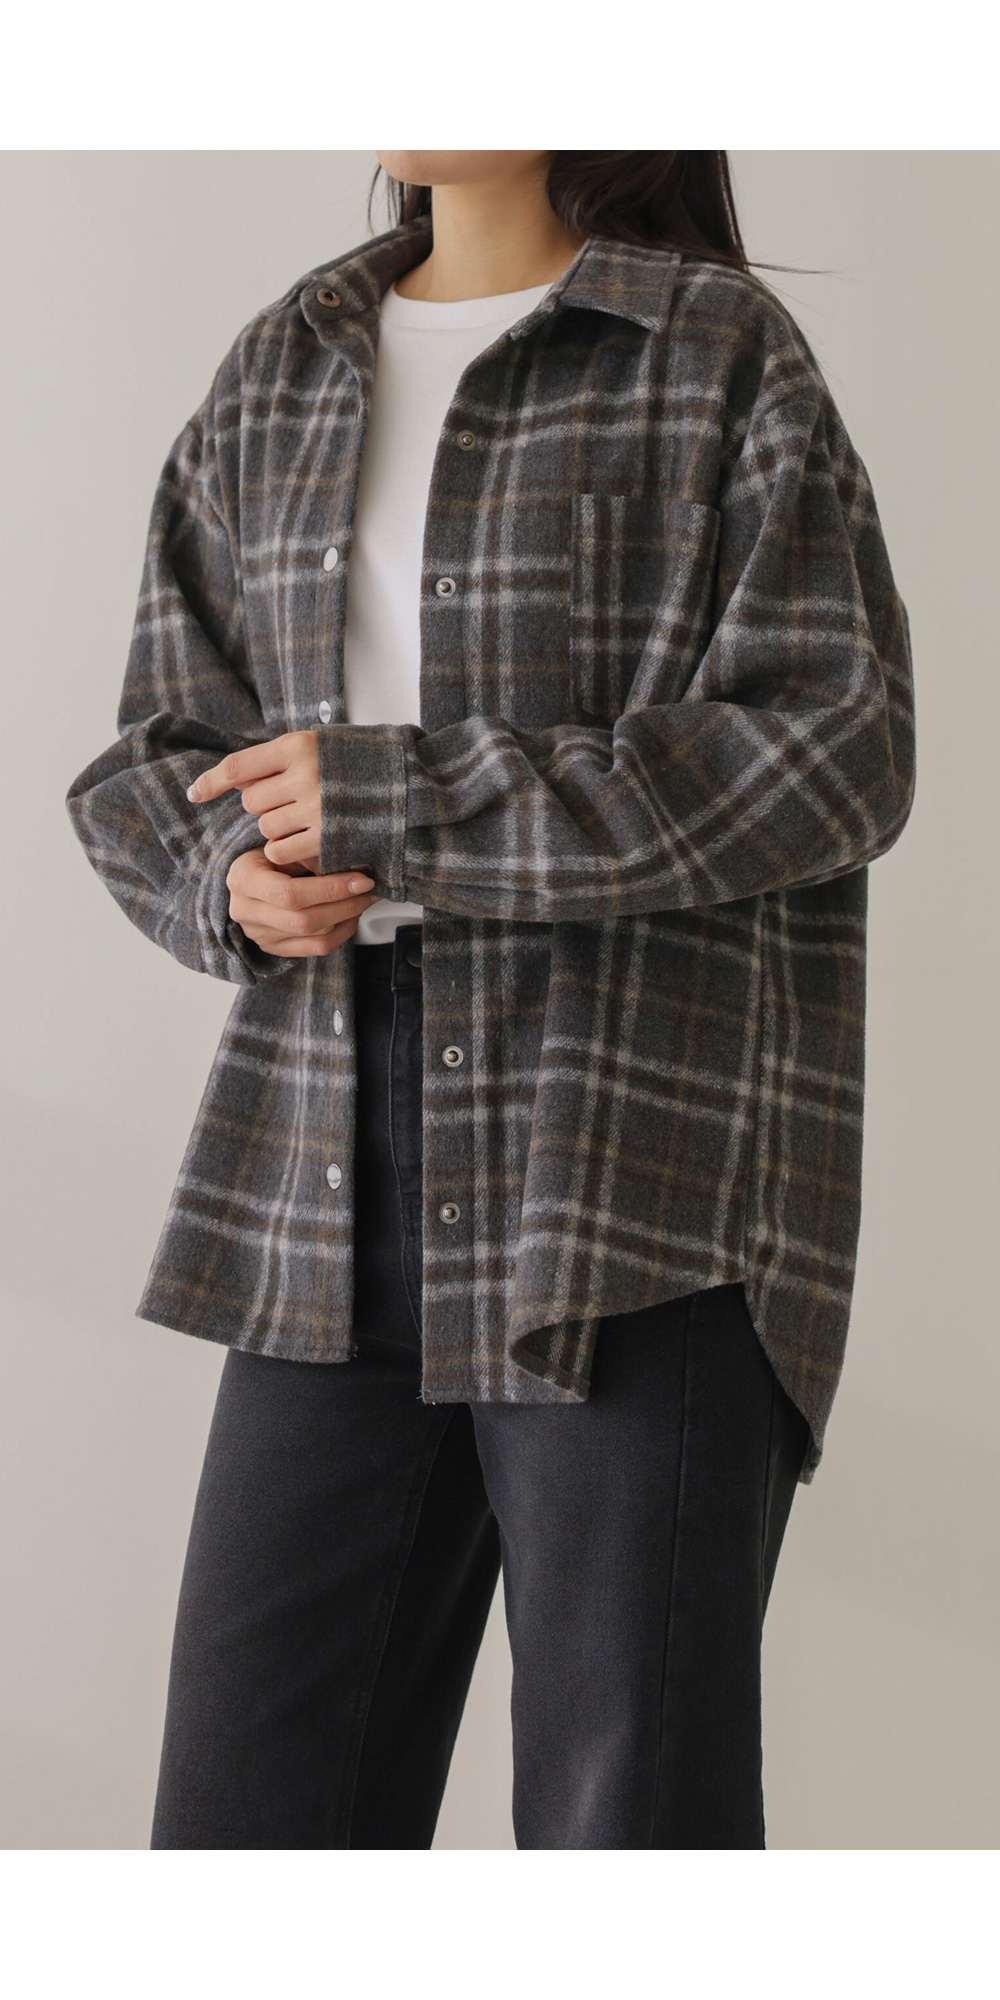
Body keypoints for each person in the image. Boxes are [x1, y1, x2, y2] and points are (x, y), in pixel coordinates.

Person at [65, 150, 916, 1849]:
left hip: (636, 1167)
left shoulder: (713, 353)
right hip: (322, 1171)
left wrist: (410, 798)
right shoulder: (283, 365)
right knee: (244, 1823)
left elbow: (838, 750)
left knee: (626, 1824)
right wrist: (225, 879)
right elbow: (158, 754)